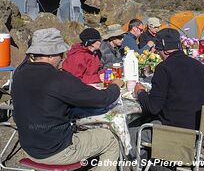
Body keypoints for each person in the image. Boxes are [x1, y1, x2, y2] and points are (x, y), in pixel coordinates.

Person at [11, 28, 122, 171]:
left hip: (29, 147)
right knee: (110, 139)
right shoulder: (59, 79)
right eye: (61, 54)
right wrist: (115, 87)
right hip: (56, 151)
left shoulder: (19, 74)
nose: (63, 57)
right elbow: (102, 99)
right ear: (51, 55)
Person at [129, 28, 204, 160]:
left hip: (178, 133)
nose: (157, 52)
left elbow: (153, 108)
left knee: (131, 130)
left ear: (164, 49)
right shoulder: (199, 65)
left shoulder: (164, 68)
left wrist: (140, 92)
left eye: (157, 49)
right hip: (201, 131)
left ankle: (139, 165)